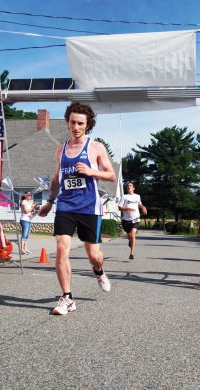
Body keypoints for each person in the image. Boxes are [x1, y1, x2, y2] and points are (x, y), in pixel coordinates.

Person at [38, 102, 116, 315]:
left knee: (94, 255)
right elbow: (56, 178)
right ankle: (67, 297)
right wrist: (50, 201)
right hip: (66, 206)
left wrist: (92, 172)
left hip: (89, 207)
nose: (76, 126)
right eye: (72, 122)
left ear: (88, 124)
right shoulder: (60, 149)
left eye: (80, 123)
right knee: (62, 248)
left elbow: (111, 175)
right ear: (68, 122)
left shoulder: (96, 147)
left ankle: (99, 271)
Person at [119, 182, 147, 259]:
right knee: (129, 236)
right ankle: (130, 241)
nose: (129, 186)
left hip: (136, 219)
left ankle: (131, 253)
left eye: (130, 185)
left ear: (133, 188)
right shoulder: (124, 197)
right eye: (128, 185)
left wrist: (143, 207)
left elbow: (139, 204)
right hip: (126, 220)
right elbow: (119, 208)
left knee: (133, 235)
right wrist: (126, 208)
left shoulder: (137, 196)